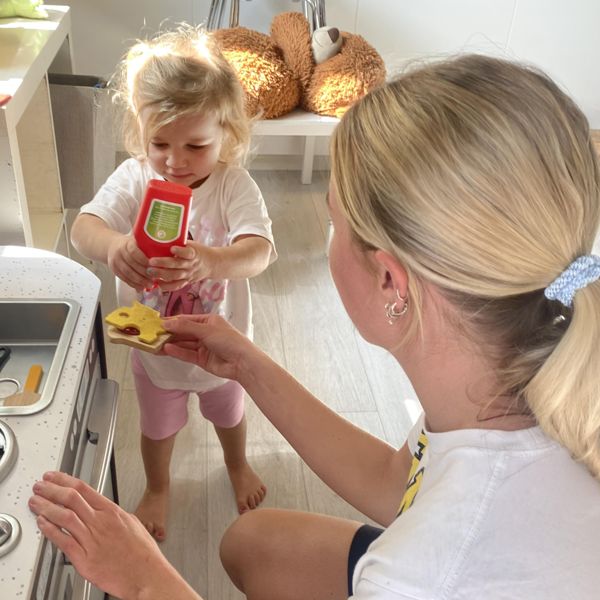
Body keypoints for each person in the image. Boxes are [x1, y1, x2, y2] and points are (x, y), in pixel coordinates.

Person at [31, 54, 600, 599]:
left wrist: (143, 581)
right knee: (252, 542)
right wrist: (248, 364)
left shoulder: (426, 575)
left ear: (390, 281)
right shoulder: (513, 380)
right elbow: (399, 482)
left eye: (332, 223)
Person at [69, 25, 275, 541]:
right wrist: (113, 247)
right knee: (157, 429)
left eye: (195, 145)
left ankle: (236, 465)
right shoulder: (136, 177)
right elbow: (83, 227)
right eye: (159, 142)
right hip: (155, 348)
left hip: (222, 346)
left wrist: (211, 260)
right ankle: (158, 487)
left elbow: (259, 252)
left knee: (229, 415)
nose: (175, 161)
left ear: (227, 134)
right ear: (140, 130)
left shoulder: (232, 185)